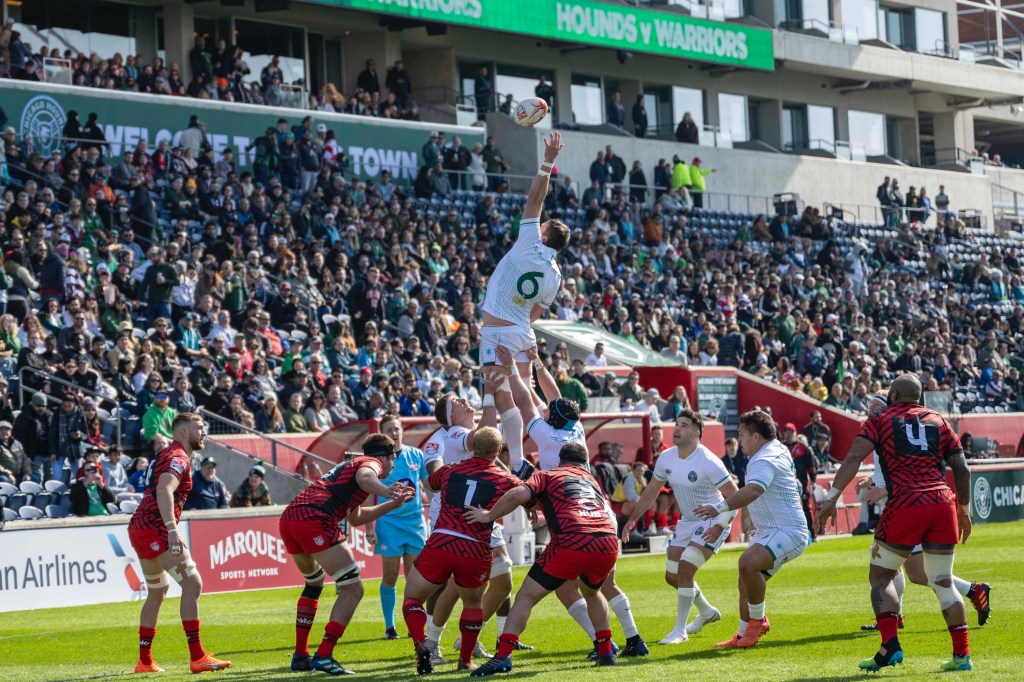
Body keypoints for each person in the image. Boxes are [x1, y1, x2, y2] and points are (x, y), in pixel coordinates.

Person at [495, 345, 648, 657]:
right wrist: (537, 361)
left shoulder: (549, 437)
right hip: (597, 507)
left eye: (550, 411)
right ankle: (633, 639)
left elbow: (525, 401)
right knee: (603, 584)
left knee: (565, 587)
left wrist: (512, 367)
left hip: (568, 513)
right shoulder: (573, 427)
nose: (546, 409)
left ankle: (602, 641)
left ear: (552, 420)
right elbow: (551, 396)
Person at [815, 375, 975, 673]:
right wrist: (963, 510)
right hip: (941, 501)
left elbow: (852, 456)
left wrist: (832, 497)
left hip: (905, 502)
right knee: (943, 581)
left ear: (894, 394)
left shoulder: (880, 419)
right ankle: (962, 655)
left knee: (881, 576)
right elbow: (962, 469)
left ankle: (890, 647)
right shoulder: (938, 420)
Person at [466, 442, 620, 676]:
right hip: (607, 540)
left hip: (573, 540)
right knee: (592, 593)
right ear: (584, 462)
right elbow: (564, 501)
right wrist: (535, 504)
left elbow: (519, 493)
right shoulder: (591, 480)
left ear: (561, 461)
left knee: (526, 595)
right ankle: (606, 651)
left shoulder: (548, 474)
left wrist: (489, 515)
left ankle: (503, 655)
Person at [278, 434, 414, 675]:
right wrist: (387, 491)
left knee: (314, 582)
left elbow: (356, 517)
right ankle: (324, 655)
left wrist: (392, 504)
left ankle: (300, 656)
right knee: (353, 588)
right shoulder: (369, 464)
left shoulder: (350, 470)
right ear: (383, 457)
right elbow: (366, 477)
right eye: (392, 459)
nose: (393, 465)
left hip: (292, 516)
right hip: (315, 518)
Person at [853, 396, 991, 633]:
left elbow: (911, 473)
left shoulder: (891, 431)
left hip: (908, 507)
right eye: (870, 407)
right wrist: (872, 480)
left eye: (876, 406)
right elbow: (889, 470)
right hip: (898, 508)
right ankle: (893, 615)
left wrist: (882, 490)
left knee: (915, 572)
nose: (870, 410)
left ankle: (972, 591)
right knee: (890, 567)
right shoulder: (881, 430)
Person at [479, 132, 568, 483]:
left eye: (541, 224)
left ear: (543, 234)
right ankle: (536, 451)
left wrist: (547, 160)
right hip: (522, 332)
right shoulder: (556, 275)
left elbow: (535, 197)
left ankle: (515, 460)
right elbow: (536, 314)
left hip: (497, 329)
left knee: (500, 395)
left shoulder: (530, 240)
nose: (536, 223)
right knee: (523, 396)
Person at [401, 426, 519, 674]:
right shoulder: (504, 477)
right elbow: (525, 494)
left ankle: (422, 643)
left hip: (442, 541)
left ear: (472, 445)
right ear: (498, 451)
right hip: (475, 548)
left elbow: (432, 484)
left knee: (412, 597)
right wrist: (493, 514)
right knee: (473, 603)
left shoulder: (451, 470)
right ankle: (465, 660)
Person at [694, 409, 809, 649]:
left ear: (755, 437)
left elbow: (755, 490)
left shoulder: (764, 458)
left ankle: (758, 621)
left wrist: (720, 507)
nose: (739, 440)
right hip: (772, 529)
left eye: (742, 434)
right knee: (745, 578)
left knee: (747, 563)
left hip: (787, 530)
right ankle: (743, 633)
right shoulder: (776, 448)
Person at [621, 409, 738, 644]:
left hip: (713, 520)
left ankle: (679, 631)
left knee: (685, 568)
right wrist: (633, 518)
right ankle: (706, 612)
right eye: (677, 424)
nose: (677, 429)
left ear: (697, 433)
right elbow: (652, 491)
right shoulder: (666, 458)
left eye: (684, 425)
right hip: (687, 521)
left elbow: (734, 497)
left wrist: (721, 525)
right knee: (672, 576)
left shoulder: (709, 461)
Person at [127, 413, 231, 674]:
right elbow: (164, 490)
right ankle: (197, 657)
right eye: (199, 427)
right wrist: (172, 530)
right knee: (193, 583)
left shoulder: (167, 454)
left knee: (157, 592)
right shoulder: (178, 457)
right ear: (183, 432)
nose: (204, 431)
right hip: (156, 529)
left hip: (140, 527)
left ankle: (145, 661)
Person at [370, 414, 432, 640]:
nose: (394, 433)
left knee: (415, 578)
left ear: (402, 430)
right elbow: (369, 493)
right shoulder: (377, 460)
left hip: (415, 523)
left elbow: (428, 486)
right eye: (389, 430)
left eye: (396, 428)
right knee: (390, 576)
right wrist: (369, 527)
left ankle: (413, 624)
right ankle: (389, 626)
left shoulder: (416, 454)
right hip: (389, 523)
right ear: (382, 433)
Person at [781, 423, 817, 541]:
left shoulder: (803, 448)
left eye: (791, 432)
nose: (789, 434)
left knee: (806, 507)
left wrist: (813, 480)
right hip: (785, 483)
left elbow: (811, 466)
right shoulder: (780, 448)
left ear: (795, 433)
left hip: (802, 482)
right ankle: (789, 536)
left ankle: (812, 533)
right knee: (785, 509)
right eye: (786, 432)